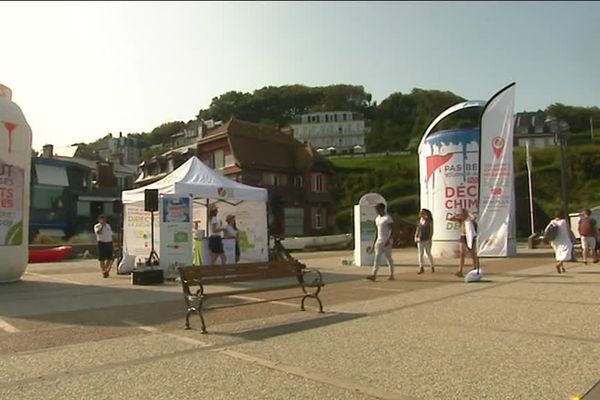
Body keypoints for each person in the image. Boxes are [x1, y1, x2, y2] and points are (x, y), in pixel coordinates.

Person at [365, 203, 395, 281]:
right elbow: (376, 231)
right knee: (377, 257)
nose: (376, 210)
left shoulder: (388, 218)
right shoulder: (377, 219)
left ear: (382, 209)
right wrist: (374, 243)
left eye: (377, 209)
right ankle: (374, 275)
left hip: (386, 240)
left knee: (388, 257)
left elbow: (393, 230)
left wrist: (389, 240)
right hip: (379, 240)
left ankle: (391, 274)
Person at [448, 208, 478, 277]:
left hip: (470, 237)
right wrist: (457, 215)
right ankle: (460, 270)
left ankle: (475, 267)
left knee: (473, 253)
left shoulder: (469, 220)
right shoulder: (460, 220)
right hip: (463, 237)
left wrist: (468, 214)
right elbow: (450, 218)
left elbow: (474, 217)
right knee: (462, 254)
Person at [414, 208, 434, 274]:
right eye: (421, 213)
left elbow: (431, 230)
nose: (421, 214)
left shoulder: (429, 221)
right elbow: (418, 228)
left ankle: (432, 265)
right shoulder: (420, 220)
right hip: (420, 238)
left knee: (428, 253)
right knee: (420, 254)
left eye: (422, 213)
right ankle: (421, 267)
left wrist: (430, 238)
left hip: (426, 239)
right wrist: (416, 236)